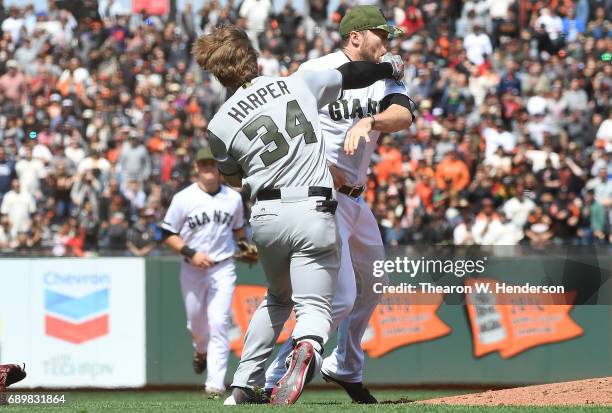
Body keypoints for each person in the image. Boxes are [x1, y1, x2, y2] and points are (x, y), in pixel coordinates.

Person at [192, 25, 403, 405]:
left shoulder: (218, 125)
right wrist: (389, 70)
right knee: (318, 306)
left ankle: (242, 384)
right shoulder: (297, 83)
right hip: (314, 207)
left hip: (268, 214)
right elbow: (351, 74)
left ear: (217, 72)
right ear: (253, 58)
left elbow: (233, 178)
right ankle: (307, 348)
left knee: (277, 297)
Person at [265, 5, 415, 404]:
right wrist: (317, 165)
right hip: (321, 194)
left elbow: (403, 115)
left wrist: (371, 122)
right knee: (342, 297)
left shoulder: (385, 74)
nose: (388, 43)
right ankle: (273, 377)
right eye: (382, 36)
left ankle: (345, 365)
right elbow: (285, 126)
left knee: (376, 281)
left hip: (356, 199)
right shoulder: (317, 71)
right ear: (356, 36)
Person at [161, 148, 246, 398]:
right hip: (192, 268)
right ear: (197, 168)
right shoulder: (184, 198)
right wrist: (191, 252)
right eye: (204, 164)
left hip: (223, 267)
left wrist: (244, 247)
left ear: (219, 168)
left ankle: (215, 384)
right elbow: (167, 233)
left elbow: (239, 231)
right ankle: (200, 350)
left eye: (212, 163)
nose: (208, 167)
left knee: (219, 322)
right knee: (197, 325)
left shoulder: (233, 198)